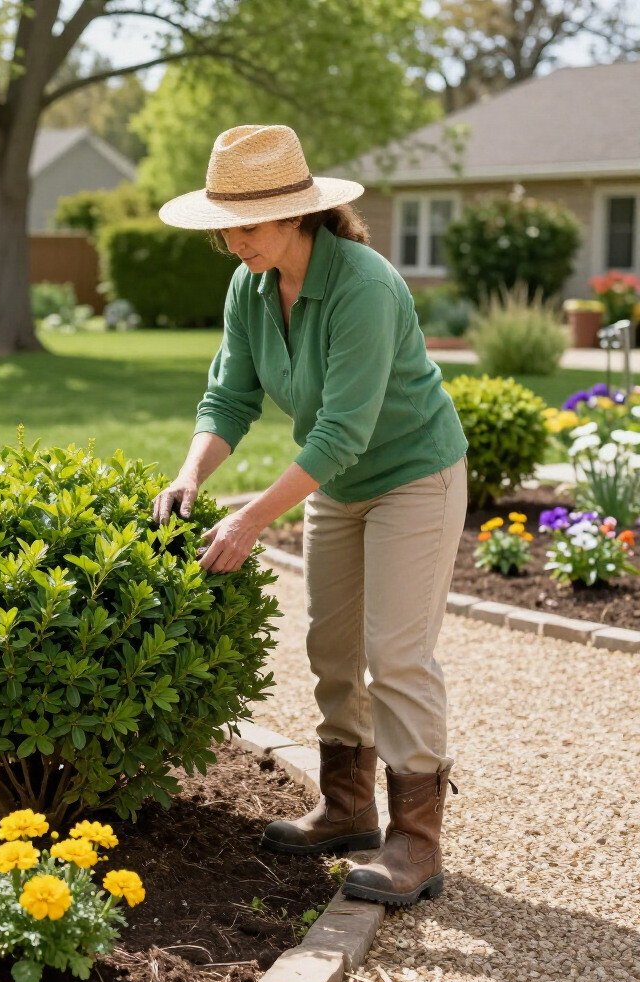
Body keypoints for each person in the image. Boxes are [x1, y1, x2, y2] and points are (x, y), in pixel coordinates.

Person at [152, 125, 468, 906]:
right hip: (341, 484)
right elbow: (230, 396)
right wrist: (192, 474)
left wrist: (251, 516)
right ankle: (349, 806)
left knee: (395, 653)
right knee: (331, 646)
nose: (233, 242)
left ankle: (416, 842)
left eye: (247, 226)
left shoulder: (363, 284)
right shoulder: (250, 287)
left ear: (297, 216)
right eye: (224, 226)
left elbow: (342, 431)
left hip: (412, 476)